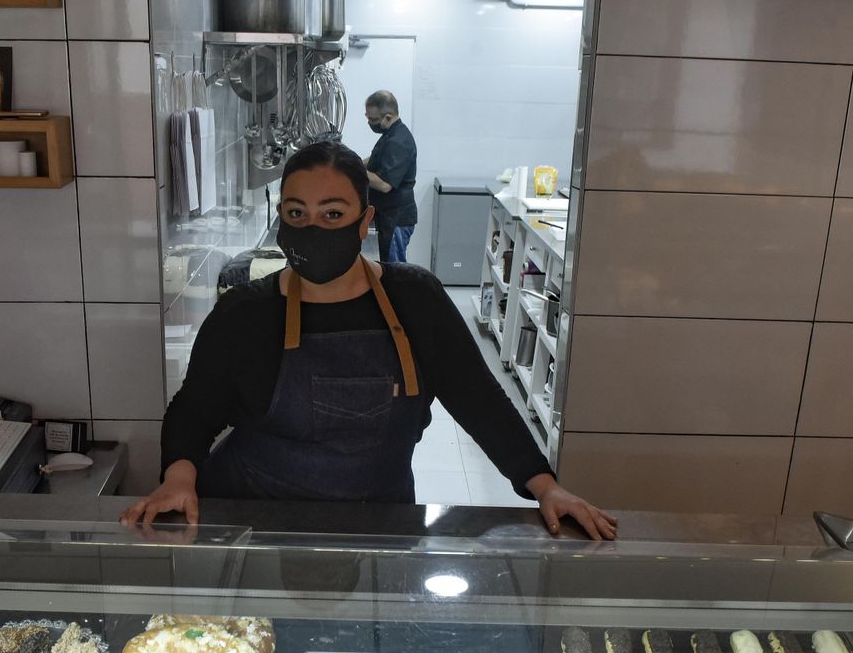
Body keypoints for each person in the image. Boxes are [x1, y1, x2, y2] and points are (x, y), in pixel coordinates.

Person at [121, 141, 617, 541]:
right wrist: (179, 478)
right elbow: (194, 410)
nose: (312, 228)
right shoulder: (245, 311)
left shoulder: (415, 299)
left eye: (332, 214)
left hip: (380, 523)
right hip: (255, 519)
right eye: (296, 214)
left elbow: (478, 398)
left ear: (366, 221)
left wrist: (544, 486)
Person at [362, 91, 417, 264]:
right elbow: (375, 159)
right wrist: (351, 161)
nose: (370, 123)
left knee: (395, 272)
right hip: (388, 215)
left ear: (388, 116)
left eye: (373, 120)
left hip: (397, 219)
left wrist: (354, 170)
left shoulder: (398, 141)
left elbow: (385, 184)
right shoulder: (390, 134)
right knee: (388, 266)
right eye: (368, 118)